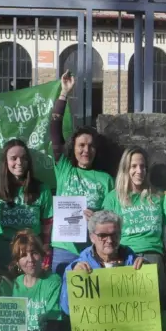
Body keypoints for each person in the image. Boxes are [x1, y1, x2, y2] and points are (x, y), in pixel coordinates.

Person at [49, 71, 115, 274]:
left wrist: (96, 218)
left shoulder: (106, 179)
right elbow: (54, 130)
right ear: (74, 148)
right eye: (81, 145)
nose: (86, 150)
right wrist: (64, 93)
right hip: (64, 248)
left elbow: (112, 217)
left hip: (93, 249)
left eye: (91, 146)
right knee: (63, 291)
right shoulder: (65, 168)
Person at [102, 147, 166, 290]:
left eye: (143, 166)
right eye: (134, 166)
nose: (139, 171)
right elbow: (106, 234)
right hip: (125, 257)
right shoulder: (112, 198)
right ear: (125, 168)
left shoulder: (158, 196)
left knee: (158, 303)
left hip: (153, 257)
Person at [0, 139, 53, 267]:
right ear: (5, 161)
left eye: (23, 158)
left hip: (31, 252)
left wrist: (46, 246)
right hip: (2, 251)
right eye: (13, 158)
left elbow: (47, 221)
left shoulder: (42, 189)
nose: (19, 162)